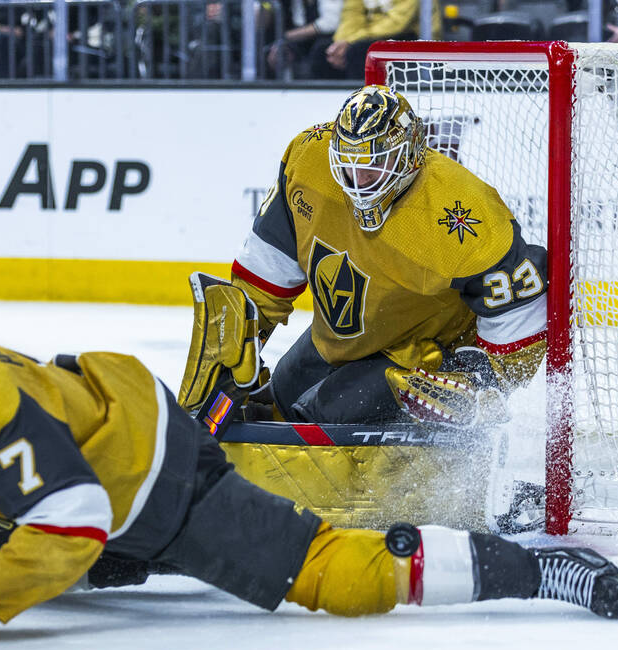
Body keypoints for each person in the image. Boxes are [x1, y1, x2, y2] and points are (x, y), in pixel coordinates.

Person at [0, 266, 618, 643]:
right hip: (83, 511)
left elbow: (71, 524)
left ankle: (546, 572)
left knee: (332, 578)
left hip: (153, 478)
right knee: (7, 559)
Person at [178, 85, 548, 427]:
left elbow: (522, 314)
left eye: (373, 165)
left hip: (413, 359)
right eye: (348, 164)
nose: (357, 180)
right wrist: (241, 336)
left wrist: (479, 382)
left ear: (410, 156)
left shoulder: (461, 212)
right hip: (337, 338)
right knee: (273, 405)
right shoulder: (310, 162)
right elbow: (266, 271)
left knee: (319, 420)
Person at [308, 0, 436, 80]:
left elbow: (398, 23)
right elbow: (350, 15)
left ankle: (366, 106)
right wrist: (340, 43)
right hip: (365, 36)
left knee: (359, 52)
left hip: (408, 37)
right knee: (322, 52)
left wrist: (351, 41)